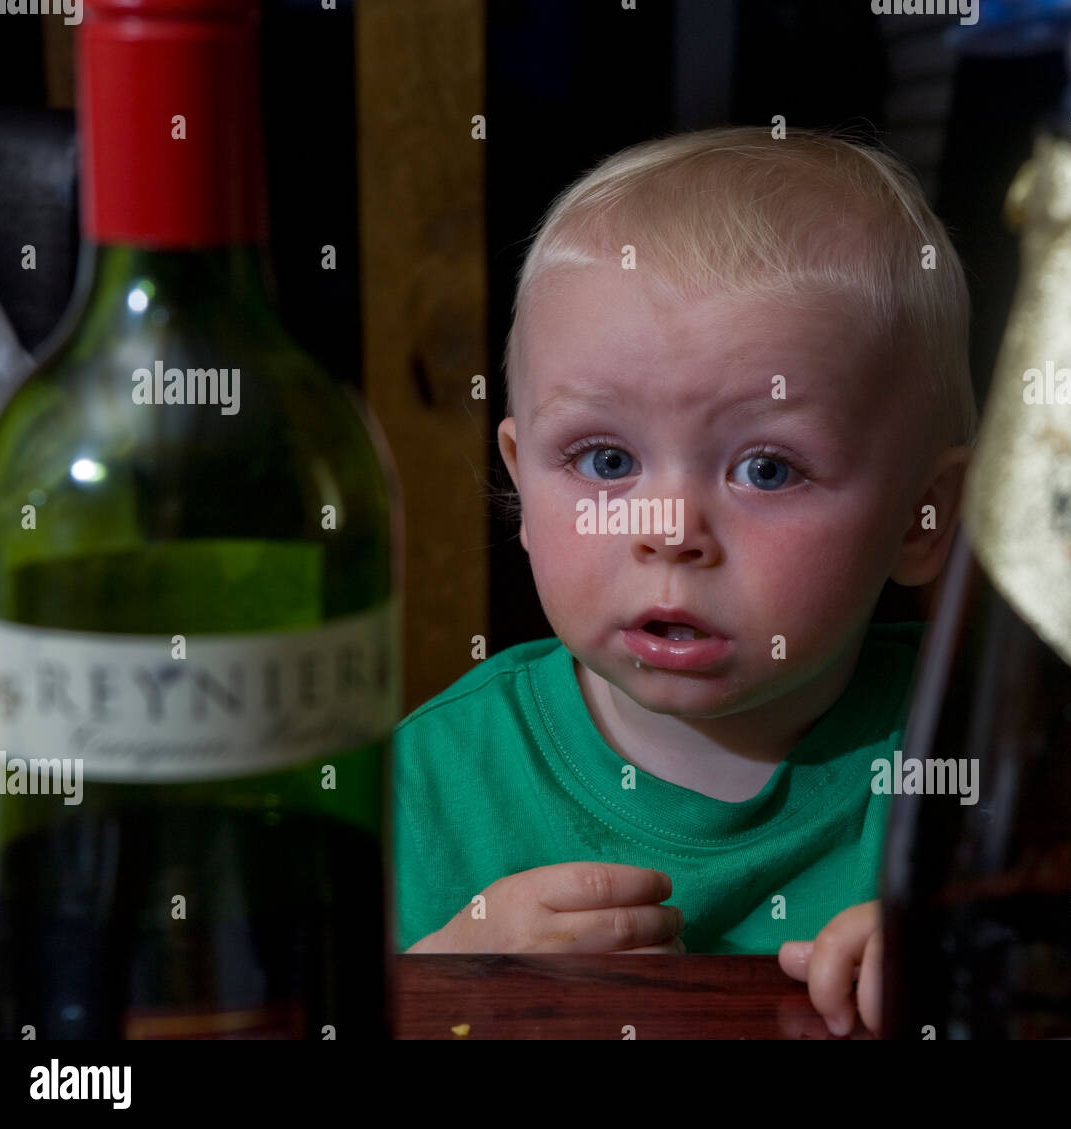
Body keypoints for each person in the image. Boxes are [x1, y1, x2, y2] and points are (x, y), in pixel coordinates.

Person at [395, 124, 975, 1036]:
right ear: (519, 473)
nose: (667, 531)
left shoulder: (977, 763)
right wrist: (437, 986)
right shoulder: (427, 783)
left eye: (768, 470)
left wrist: (962, 969)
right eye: (604, 458)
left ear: (922, 514)